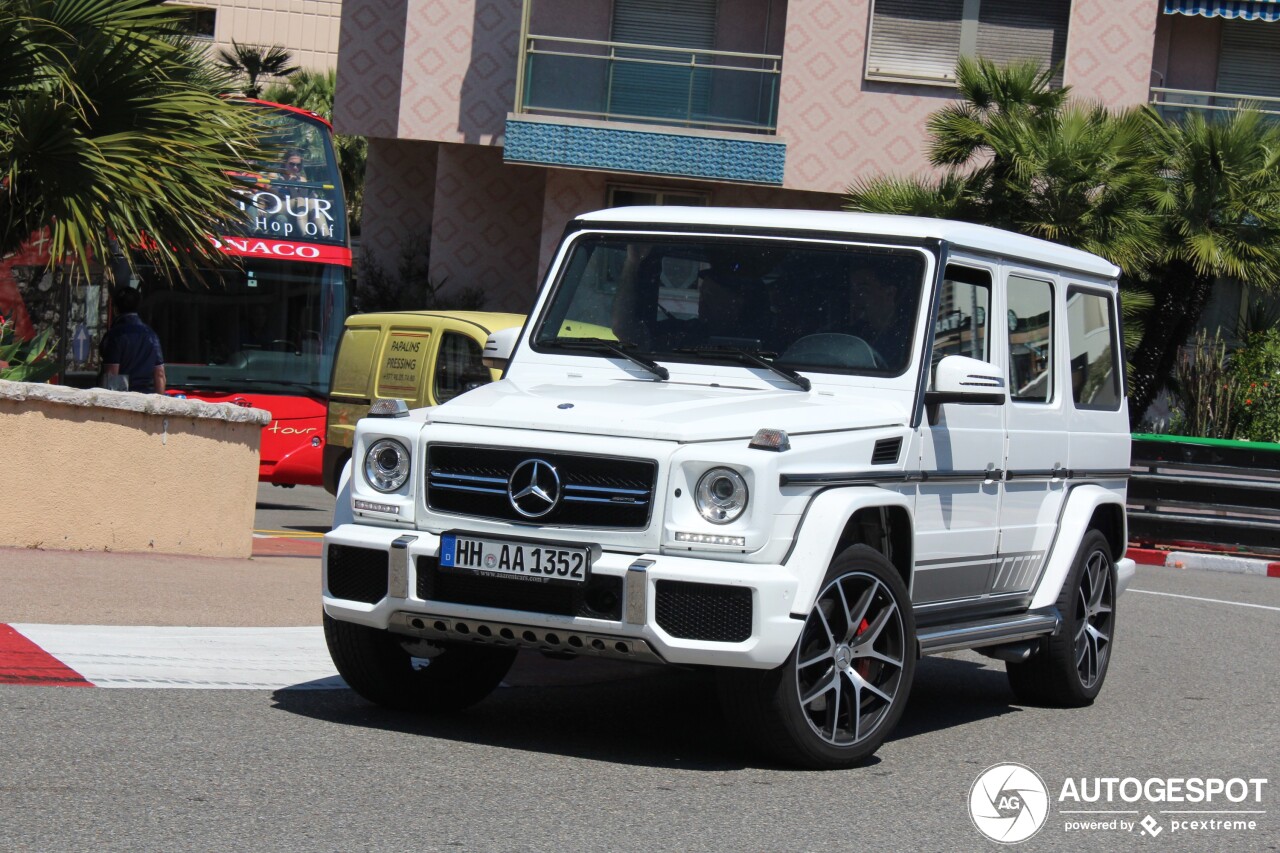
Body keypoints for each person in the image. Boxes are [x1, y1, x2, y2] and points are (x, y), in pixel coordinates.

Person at [100, 286, 165, 394]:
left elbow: (111, 374)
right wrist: (160, 403)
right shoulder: (151, 336)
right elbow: (160, 374)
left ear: (115, 309)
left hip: (123, 400)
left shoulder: (115, 335)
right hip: (146, 398)